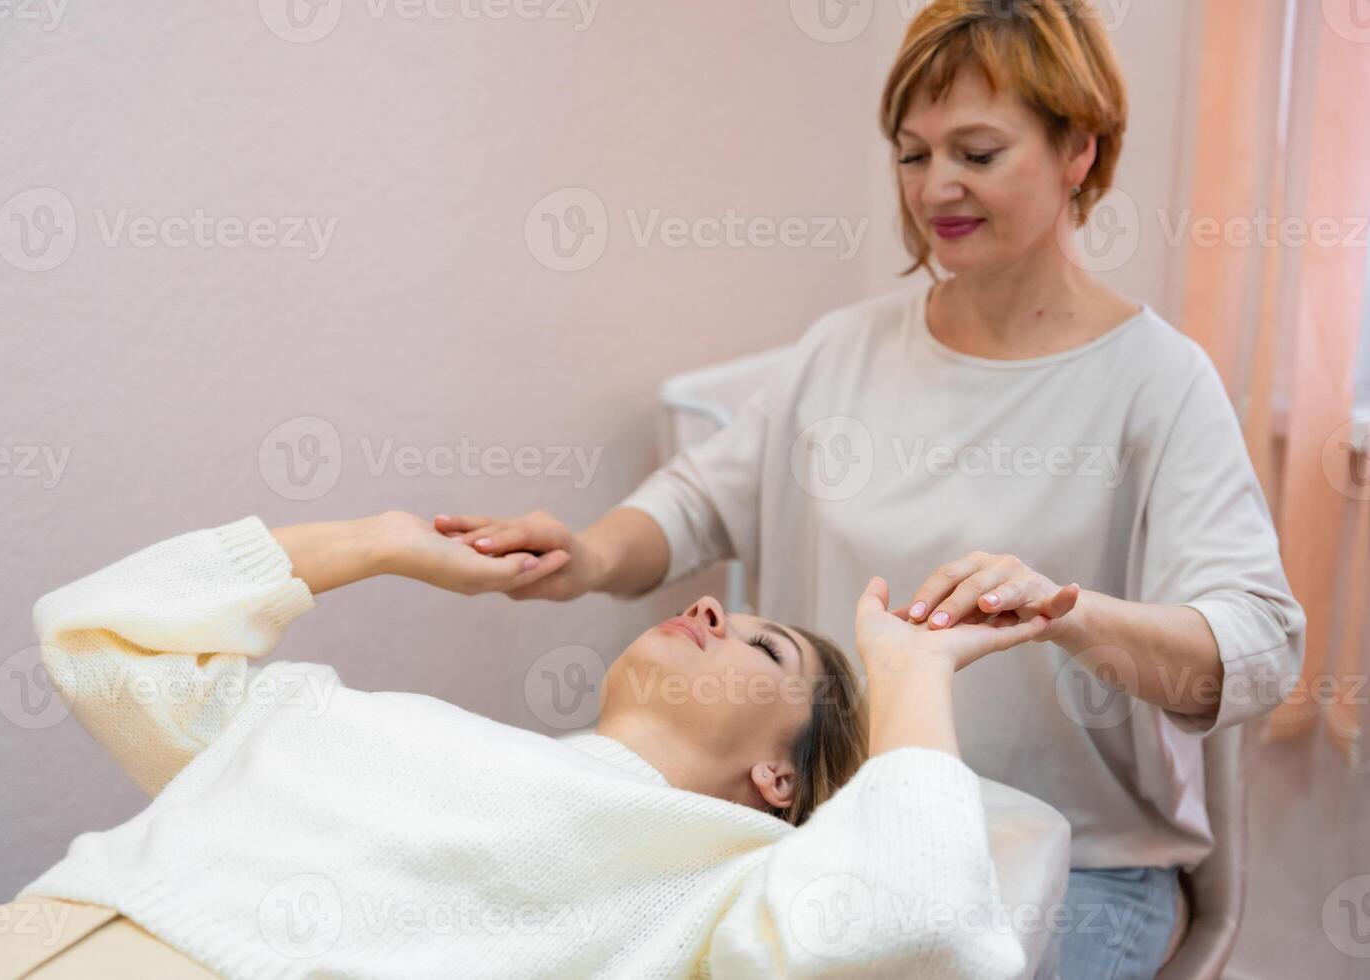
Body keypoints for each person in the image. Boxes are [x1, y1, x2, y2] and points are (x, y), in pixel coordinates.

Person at [432, 2, 1307, 977]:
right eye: (913, 153)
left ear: (1079, 151)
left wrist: (1070, 615)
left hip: (1072, 862)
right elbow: (693, 503)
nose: (939, 187)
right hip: (829, 829)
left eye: (977, 151)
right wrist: (587, 554)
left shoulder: (1157, 382)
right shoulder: (843, 350)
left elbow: (1258, 647)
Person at [0, 509, 1065, 978]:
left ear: (776, 781)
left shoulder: (717, 877)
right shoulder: (374, 719)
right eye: (723, 606)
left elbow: (925, 927)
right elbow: (102, 639)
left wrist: (912, 673)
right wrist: (382, 540)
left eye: (762, 650)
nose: (710, 607)